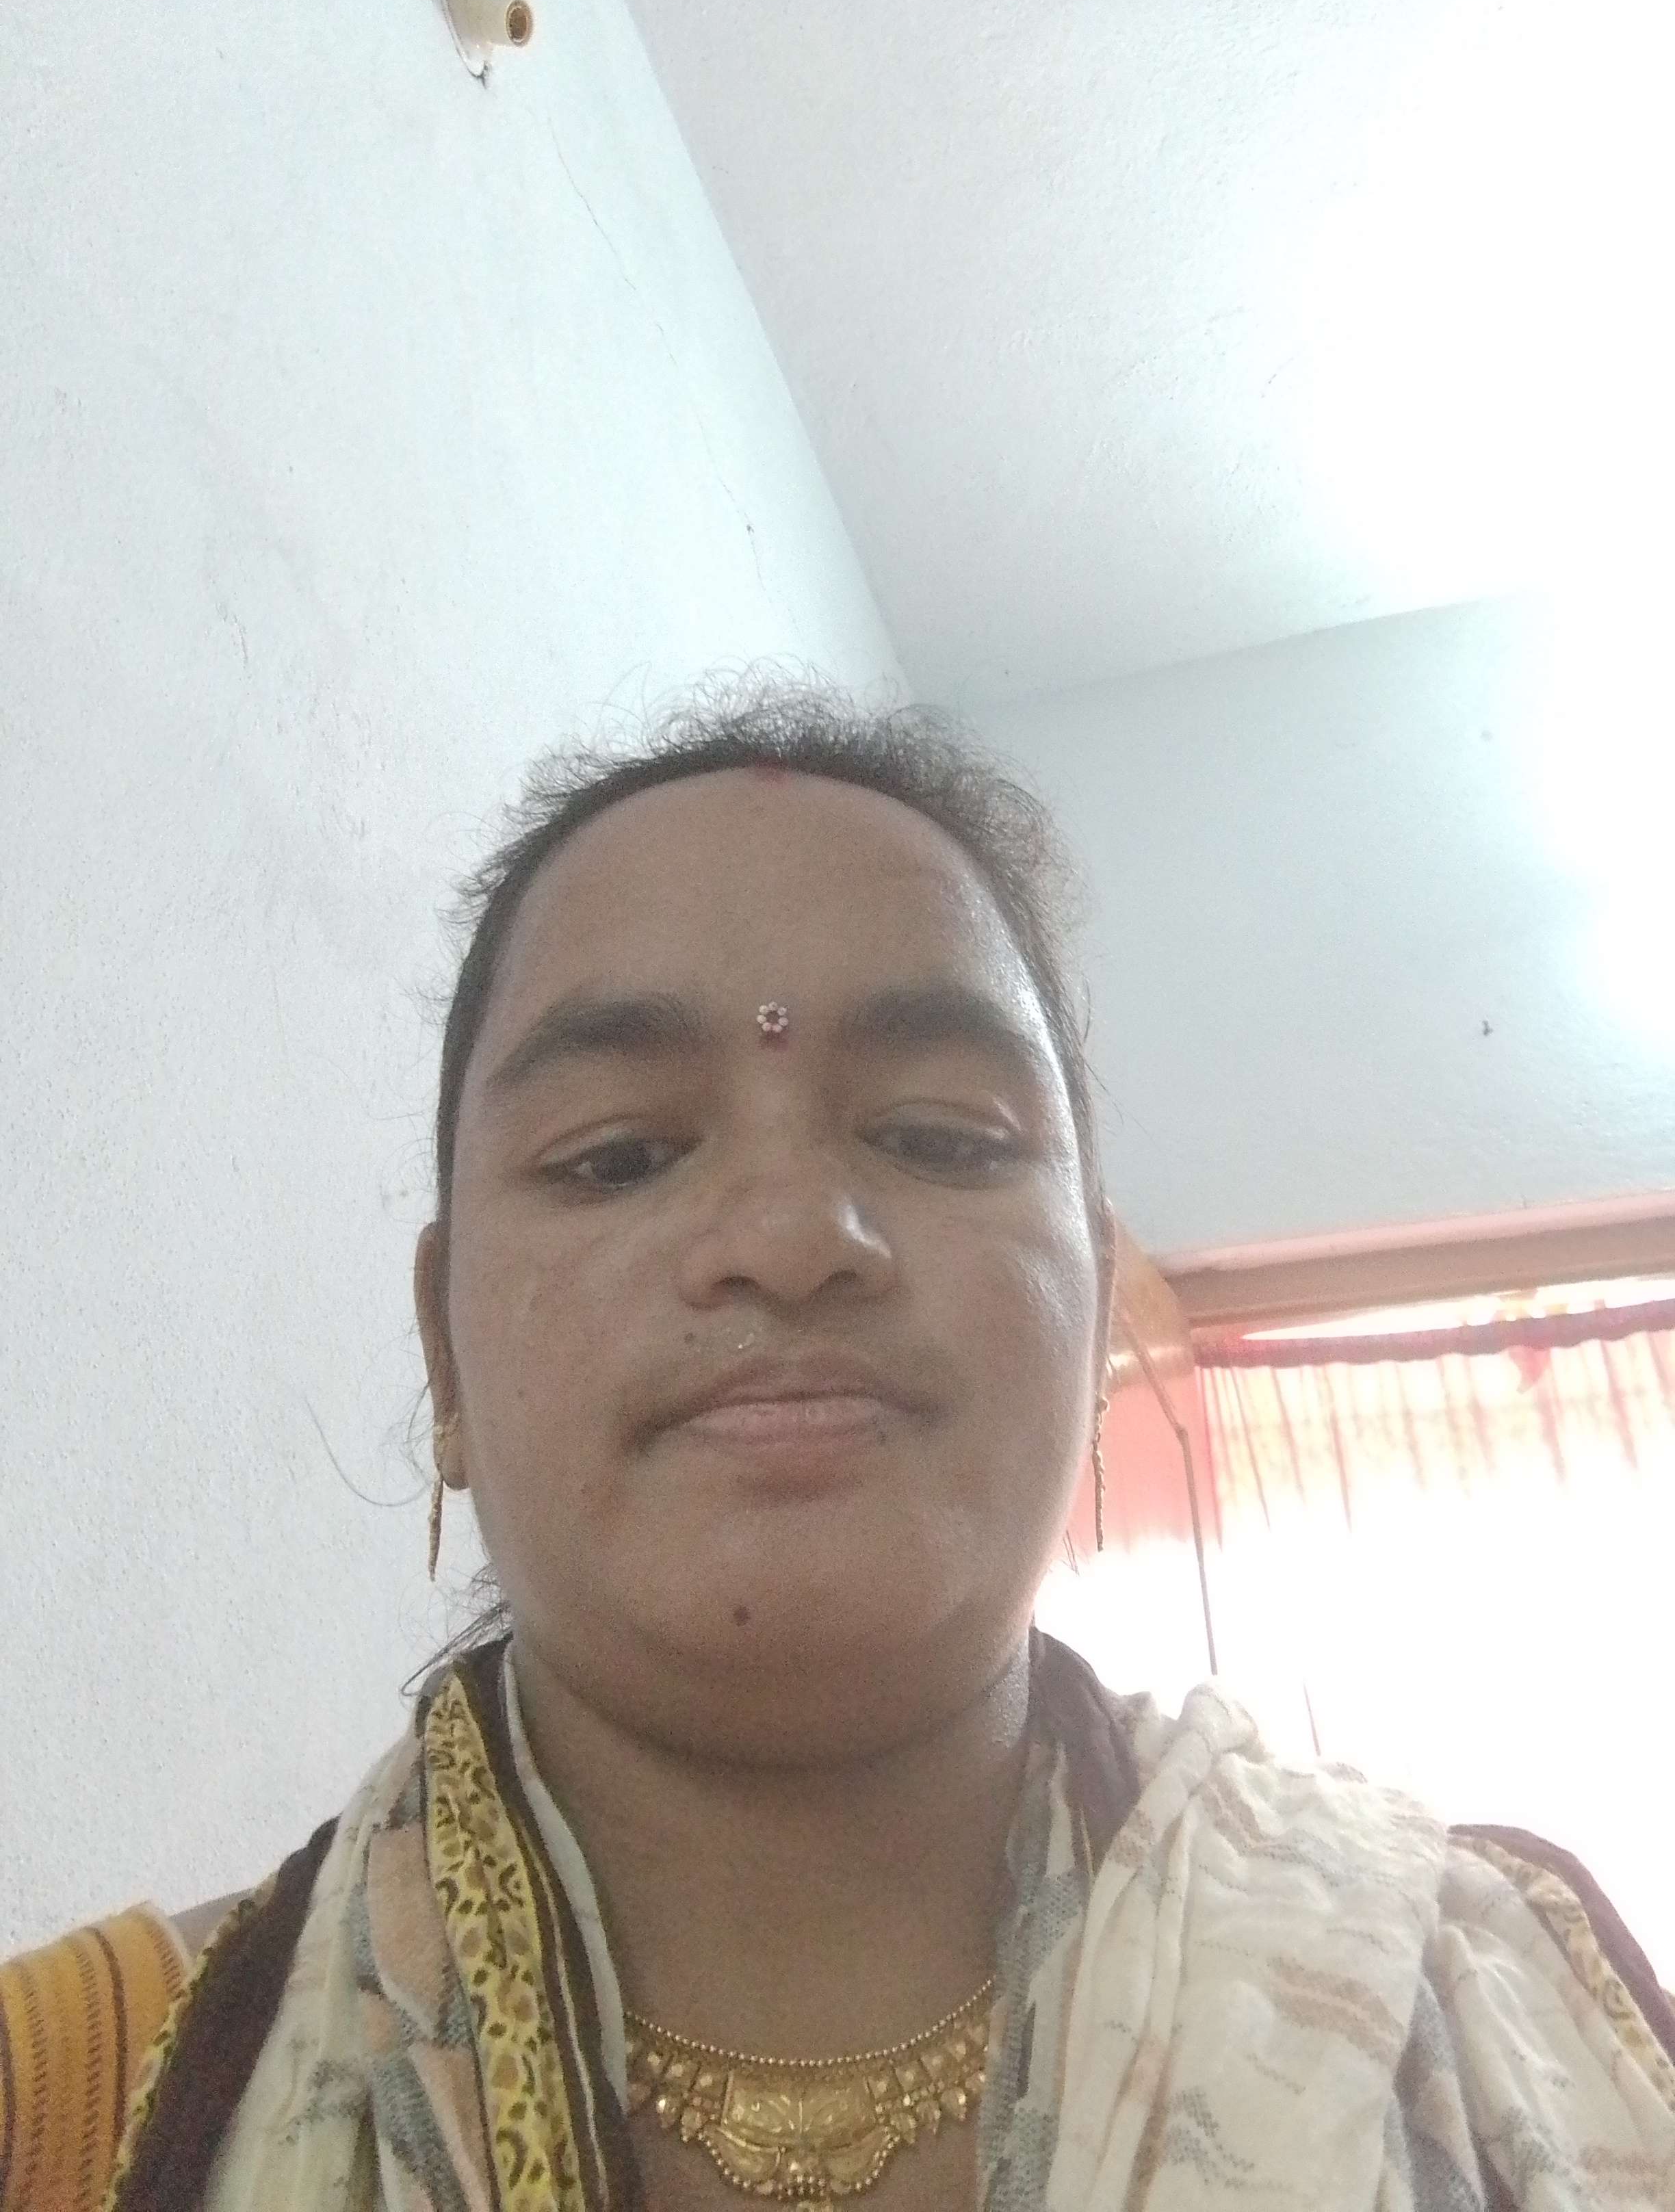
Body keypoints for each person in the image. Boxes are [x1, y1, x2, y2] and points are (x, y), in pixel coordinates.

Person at [4, 680, 1674, 2212]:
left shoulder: (1511, 2012)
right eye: (616, 1155)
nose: (794, 1236)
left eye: (941, 1136)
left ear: (1098, 1322)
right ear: (444, 1349)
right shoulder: (74, 2106)